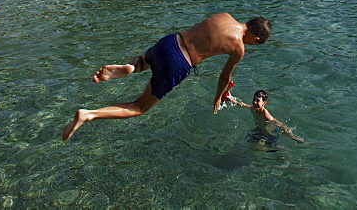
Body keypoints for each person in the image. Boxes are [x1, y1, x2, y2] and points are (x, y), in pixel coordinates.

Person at [62, 13, 272, 139]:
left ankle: (132, 67)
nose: (250, 45)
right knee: (140, 107)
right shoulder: (238, 47)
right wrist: (218, 97)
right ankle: (89, 114)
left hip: (171, 42)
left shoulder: (224, 16)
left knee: (144, 60)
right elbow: (224, 77)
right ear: (255, 37)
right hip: (179, 62)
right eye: (255, 43)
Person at [230, 89, 305, 144]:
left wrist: (292, 136)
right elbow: (243, 104)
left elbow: (277, 123)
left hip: (269, 134)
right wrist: (232, 100)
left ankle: (281, 154)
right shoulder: (253, 109)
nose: (255, 102)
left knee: (270, 149)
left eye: (258, 100)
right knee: (248, 141)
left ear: (264, 103)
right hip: (259, 130)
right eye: (254, 99)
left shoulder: (265, 114)